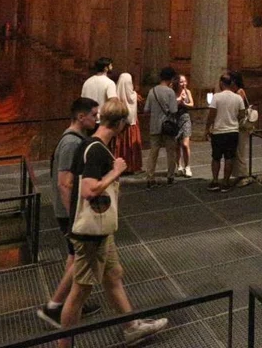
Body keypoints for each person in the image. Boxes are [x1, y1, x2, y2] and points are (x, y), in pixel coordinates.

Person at [59, 97, 167, 346]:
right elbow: (89, 189)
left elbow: (70, 183)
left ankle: (131, 327)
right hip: (91, 234)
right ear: (119, 124)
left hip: (99, 229)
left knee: (114, 274)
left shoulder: (88, 145)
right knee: (79, 293)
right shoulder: (97, 150)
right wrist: (116, 171)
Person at [37, 97, 101, 327]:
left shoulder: (75, 140)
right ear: (81, 117)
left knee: (74, 257)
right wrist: (75, 216)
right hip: (69, 214)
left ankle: (70, 303)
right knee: (81, 258)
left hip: (69, 212)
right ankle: (54, 306)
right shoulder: (71, 143)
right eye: (93, 115)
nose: (96, 119)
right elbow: (64, 183)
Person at [205, 73, 245, 192]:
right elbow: (242, 114)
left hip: (218, 131)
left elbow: (211, 114)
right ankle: (226, 182)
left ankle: (215, 181)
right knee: (229, 157)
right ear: (231, 83)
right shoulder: (237, 98)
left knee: (216, 157)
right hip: (232, 131)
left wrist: (207, 128)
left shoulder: (216, 97)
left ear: (221, 83)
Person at [144, 67, 179, 187]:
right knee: (171, 152)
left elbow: (146, 109)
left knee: (153, 152)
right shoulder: (170, 92)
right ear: (171, 79)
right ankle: (170, 176)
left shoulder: (152, 91)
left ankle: (150, 177)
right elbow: (174, 110)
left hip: (154, 125)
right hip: (168, 126)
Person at [113, 72, 144, 175]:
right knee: (132, 145)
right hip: (132, 124)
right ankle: (133, 166)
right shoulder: (135, 96)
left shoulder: (115, 96)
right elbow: (141, 105)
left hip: (120, 125)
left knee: (120, 145)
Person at [231, 70, 257, 187]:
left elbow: (238, 108)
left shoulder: (239, 91)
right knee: (237, 150)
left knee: (240, 151)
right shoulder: (236, 92)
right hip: (237, 125)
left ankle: (244, 175)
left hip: (241, 125)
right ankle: (239, 174)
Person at [175, 75, 194, 177]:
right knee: (176, 145)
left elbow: (192, 104)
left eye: (185, 81)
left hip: (185, 118)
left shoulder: (188, 92)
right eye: (181, 82)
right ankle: (179, 166)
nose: (183, 84)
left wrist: (184, 103)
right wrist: (179, 101)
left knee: (185, 144)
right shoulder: (172, 92)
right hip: (175, 119)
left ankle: (187, 166)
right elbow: (171, 106)